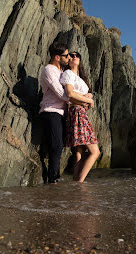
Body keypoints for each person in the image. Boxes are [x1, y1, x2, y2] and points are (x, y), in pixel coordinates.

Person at [39, 43, 93, 184]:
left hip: (63, 113)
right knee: (56, 145)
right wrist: (83, 101)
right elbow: (63, 94)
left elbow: (73, 89)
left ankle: (60, 178)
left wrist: (87, 96)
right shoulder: (49, 70)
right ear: (57, 57)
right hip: (51, 111)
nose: (69, 57)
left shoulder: (62, 72)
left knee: (61, 146)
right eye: (66, 55)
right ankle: (53, 180)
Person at [60, 51, 100, 182]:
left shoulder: (79, 78)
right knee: (95, 152)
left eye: (77, 55)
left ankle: (75, 183)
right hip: (77, 112)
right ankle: (80, 182)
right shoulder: (68, 74)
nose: (74, 57)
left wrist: (89, 97)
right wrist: (87, 100)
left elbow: (85, 94)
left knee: (79, 153)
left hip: (80, 112)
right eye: (70, 56)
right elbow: (70, 94)